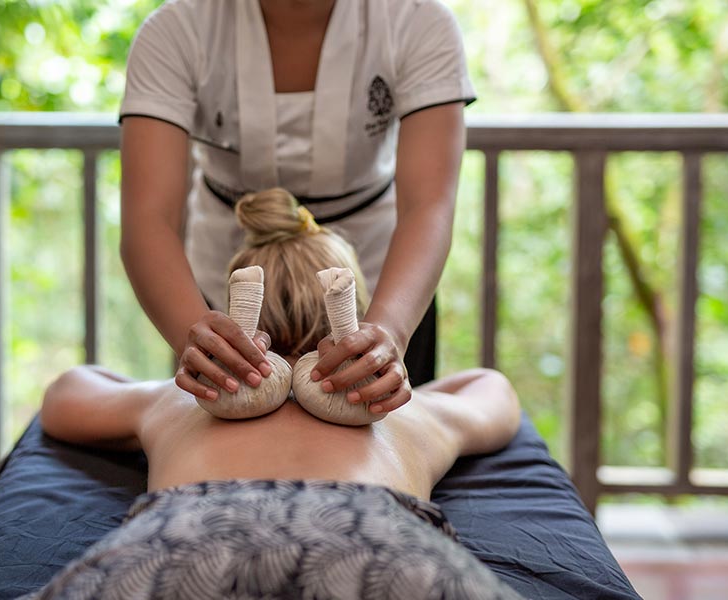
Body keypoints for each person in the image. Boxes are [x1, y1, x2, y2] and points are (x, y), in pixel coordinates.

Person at [29, 190, 522, 599]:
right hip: (377, 538)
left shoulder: (179, 401)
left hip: (191, 533)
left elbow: (66, 395)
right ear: (357, 316)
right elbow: (492, 388)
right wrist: (399, 374)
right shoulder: (397, 410)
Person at [118, 0, 476, 415]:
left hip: (384, 289)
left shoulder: (418, 21)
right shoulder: (175, 30)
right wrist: (194, 335)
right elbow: (149, 220)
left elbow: (428, 207)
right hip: (220, 301)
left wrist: (389, 331)